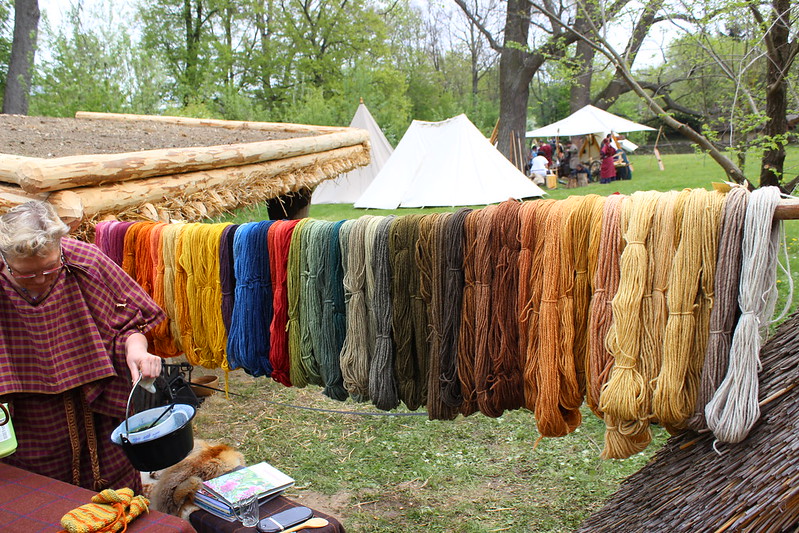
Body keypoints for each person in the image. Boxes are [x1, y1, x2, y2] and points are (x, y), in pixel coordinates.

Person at [0, 201, 164, 492]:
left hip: (97, 403)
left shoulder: (85, 261)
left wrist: (137, 351)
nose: (40, 279)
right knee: (39, 494)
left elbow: (130, 325)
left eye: (50, 268)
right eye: (26, 274)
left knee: (114, 488)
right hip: (26, 412)